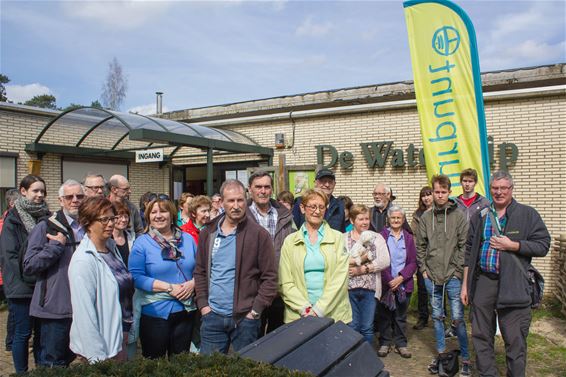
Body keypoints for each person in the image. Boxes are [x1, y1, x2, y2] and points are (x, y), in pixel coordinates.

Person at [462, 171, 550, 377]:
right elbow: (468, 252)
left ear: (511, 189)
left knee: (515, 339)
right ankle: (487, 373)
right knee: (481, 335)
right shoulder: (481, 215)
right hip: (483, 281)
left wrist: (514, 245)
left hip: (514, 284)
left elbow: (543, 245)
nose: (499, 192)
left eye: (503, 188)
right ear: (490, 189)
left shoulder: (527, 214)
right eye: (495, 188)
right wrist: (466, 285)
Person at [194, 179, 277, 354]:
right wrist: (203, 306)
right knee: (208, 371)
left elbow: (270, 278)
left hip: (245, 320)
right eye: (231, 201)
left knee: (247, 369)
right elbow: (200, 272)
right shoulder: (208, 233)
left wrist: (255, 312)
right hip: (212, 317)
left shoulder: (259, 235)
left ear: (246, 200)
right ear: (221, 203)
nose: (236, 205)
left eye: (240, 200)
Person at [23, 180, 85, 368]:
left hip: (81, 307)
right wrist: (55, 247)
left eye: (79, 196)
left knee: (71, 358)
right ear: (60, 200)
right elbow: (29, 265)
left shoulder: (89, 227)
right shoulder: (46, 227)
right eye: (69, 197)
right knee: (52, 364)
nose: (75, 200)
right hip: (54, 311)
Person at [416, 174, 471, 376]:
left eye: (443, 192)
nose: (439, 195)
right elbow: (420, 246)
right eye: (436, 192)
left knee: (457, 319)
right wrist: (423, 270)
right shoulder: (426, 217)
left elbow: (464, 245)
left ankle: (465, 358)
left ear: (449, 192)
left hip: (453, 277)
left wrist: (457, 271)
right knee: (437, 317)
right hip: (431, 276)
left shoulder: (458, 217)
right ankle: (441, 354)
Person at [129, 197, 197, 359]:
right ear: (148, 216)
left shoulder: (187, 239)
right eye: (154, 212)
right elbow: (136, 277)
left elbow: (201, 269)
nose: (158, 216)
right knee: (155, 365)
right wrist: (168, 288)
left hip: (185, 311)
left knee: (181, 363)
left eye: (163, 211)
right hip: (155, 314)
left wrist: (193, 284)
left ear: (172, 214)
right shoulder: (142, 243)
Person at [69, 196, 134, 363]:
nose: (111, 223)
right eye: (104, 219)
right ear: (87, 222)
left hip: (119, 338)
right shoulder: (83, 260)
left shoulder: (110, 249)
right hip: (103, 348)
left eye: (112, 218)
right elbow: (84, 314)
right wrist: (97, 358)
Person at [280, 188, 351, 324]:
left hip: (333, 315)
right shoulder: (290, 241)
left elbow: (340, 278)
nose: (317, 211)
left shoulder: (337, 238)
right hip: (299, 316)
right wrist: (305, 309)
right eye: (312, 206)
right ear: (302, 208)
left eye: (321, 207)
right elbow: (285, 282)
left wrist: (319, 310)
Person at [0, 175, 48, 373]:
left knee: (41, 333)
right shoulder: (12, 220)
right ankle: (21, 372)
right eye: (35, 190)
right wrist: (33, 277)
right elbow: (10, 258)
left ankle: (40, 369)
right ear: (23, 191)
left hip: (42, 285)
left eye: (42, 191)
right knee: (22, 333)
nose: (39, 195)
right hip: (22, 287)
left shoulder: (46, 216)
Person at [246, 170, 294, 334]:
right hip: (252, 290)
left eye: (267, 187)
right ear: (250, 189)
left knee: (278, 338)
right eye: (258, 187)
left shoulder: (284, 215)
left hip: (279, 288)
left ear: (272, 189)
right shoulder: (241, 216)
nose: (263, 191)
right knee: (253, 339)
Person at [344, 204, 390, 345]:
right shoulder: (343, 238)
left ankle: (368, 361)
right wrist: (359, 260)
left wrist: (364, 269)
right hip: (349, 290)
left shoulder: (376, 238)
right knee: (352, 326)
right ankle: (352, 358)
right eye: (360, 219)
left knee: (367, 327)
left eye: (366, 219)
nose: (365, 222)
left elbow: (385, 260)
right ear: (352, 221)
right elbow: (339, 262)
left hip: (370, 290)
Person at [377, 205, 417, 359]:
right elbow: (379, 260)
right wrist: (389, 281)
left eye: (398, 218)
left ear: (403, 219)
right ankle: (385, 342)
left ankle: (401, 344)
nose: (395, 220)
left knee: (400, 316)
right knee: (385, 316)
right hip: (386, 283)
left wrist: (400, 278)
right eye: (393, 217)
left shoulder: (408, 237)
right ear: (388, 218)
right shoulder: (381, 236)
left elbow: (413, 262)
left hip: (403, 284)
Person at [410, 186, 433, 331]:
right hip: (422, 256)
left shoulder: (440, 211)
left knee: (438, 289)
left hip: (438, 257)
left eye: (428, 194)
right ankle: (423, 317)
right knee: (423, 288)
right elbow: (414, 235)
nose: (426, 198)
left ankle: (441, 317)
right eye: (423, 195)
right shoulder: (417, 214)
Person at [0, 188, 18, 352]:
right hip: (7, 274)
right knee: (13, 311)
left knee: (13, 311)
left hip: (7, 275)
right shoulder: (4, 224)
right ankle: (10, 342)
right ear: (12, 204)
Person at [112, 201, 135, 268]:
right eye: (119, 217)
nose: (124, 220)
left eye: (126, 216)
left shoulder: (133, 237)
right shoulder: (106, 240)